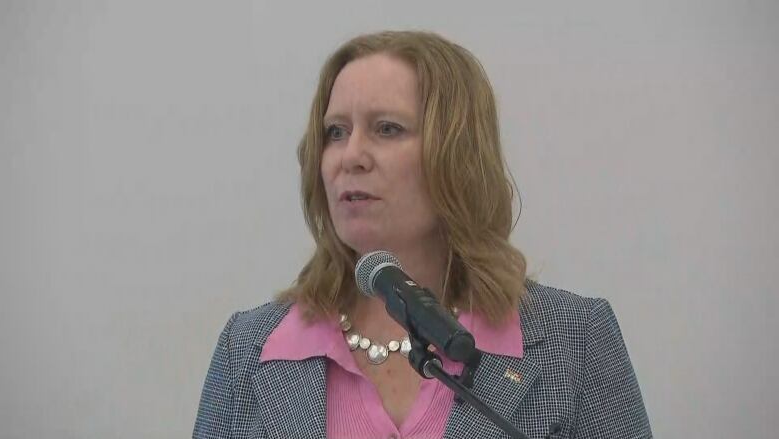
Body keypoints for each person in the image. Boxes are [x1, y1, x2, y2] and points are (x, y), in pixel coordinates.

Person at [193, 30, 652, 439]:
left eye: (386, 129)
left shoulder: (575, 340)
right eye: (335, 132)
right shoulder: (248, 350)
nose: (349, 156)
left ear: (456, 156)